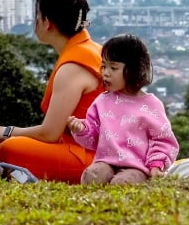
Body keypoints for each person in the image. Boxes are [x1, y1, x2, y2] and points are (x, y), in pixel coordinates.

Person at [0, 0, 105, 183]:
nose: (34, 21)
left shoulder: (73, 67)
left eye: (36, 16)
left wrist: (6, 132)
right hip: (104, 153)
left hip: (89, 159)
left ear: (47, 22)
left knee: (10, 149)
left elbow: (50, 133)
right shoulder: (94, 50)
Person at [67, 34, 179, 185]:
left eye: (113, 68)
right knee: (92, 176)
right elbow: (93, 137)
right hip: (105, 162)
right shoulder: (102, 101)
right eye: (104, 66)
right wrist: (82, 129)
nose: (106, 72)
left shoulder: (151, 105)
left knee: (122, 184)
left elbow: (162, 140)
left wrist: (156, 164)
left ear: (134, 70)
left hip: (138, 168)